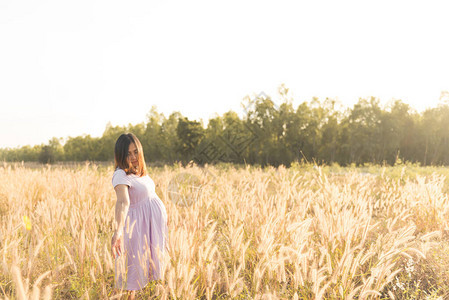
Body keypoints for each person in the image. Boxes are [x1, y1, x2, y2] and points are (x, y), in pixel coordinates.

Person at [111, 133, 169, 299]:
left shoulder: (138, 171)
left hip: (151, 226)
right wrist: (118, 231)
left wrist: (163, 216)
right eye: (128, 154)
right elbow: (123, 202)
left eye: (136, 152)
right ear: (120, 156)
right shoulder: (120, 175)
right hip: (137, 228)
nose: (133, 157)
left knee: (143, 270)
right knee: (134, 273)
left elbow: (150, 196)